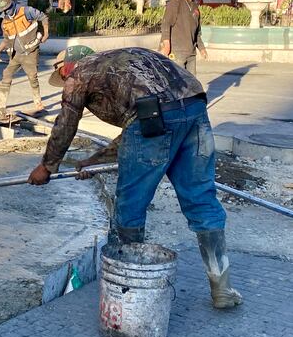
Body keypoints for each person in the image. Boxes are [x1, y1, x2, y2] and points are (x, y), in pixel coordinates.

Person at [27, 45, 242, 309]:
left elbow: (67, 124)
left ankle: (127, 289)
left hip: (155, 119)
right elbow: (138, 125)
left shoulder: (79, 74)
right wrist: (93, 161)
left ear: (67, 66)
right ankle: (222, 289)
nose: (63, 81)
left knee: (130, 206)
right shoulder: (126, 59)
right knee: (200, 198)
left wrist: (47, 166)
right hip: (194, 107)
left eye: (61, 75)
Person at [0, 0, 49, 114]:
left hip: (30, 52)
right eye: (4, 10)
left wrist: (46, 34)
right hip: (16, 55)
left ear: (12, 4)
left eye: (7, 9)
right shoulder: (5, 22)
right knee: (7, 73)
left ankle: (38, 103)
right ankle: (0, 103)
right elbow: (6, 40)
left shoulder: (26, 11)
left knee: (32, 77)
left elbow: (43, 17)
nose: (6, 12)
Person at [160, 0, 207, 75]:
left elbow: (197, 32)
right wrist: (166, 45)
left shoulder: (195, 7)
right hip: (176, 52)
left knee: (191, 83)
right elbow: (166, 25)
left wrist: (202, 48)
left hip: (191, 52)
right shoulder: (174, 3)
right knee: (178, 83)